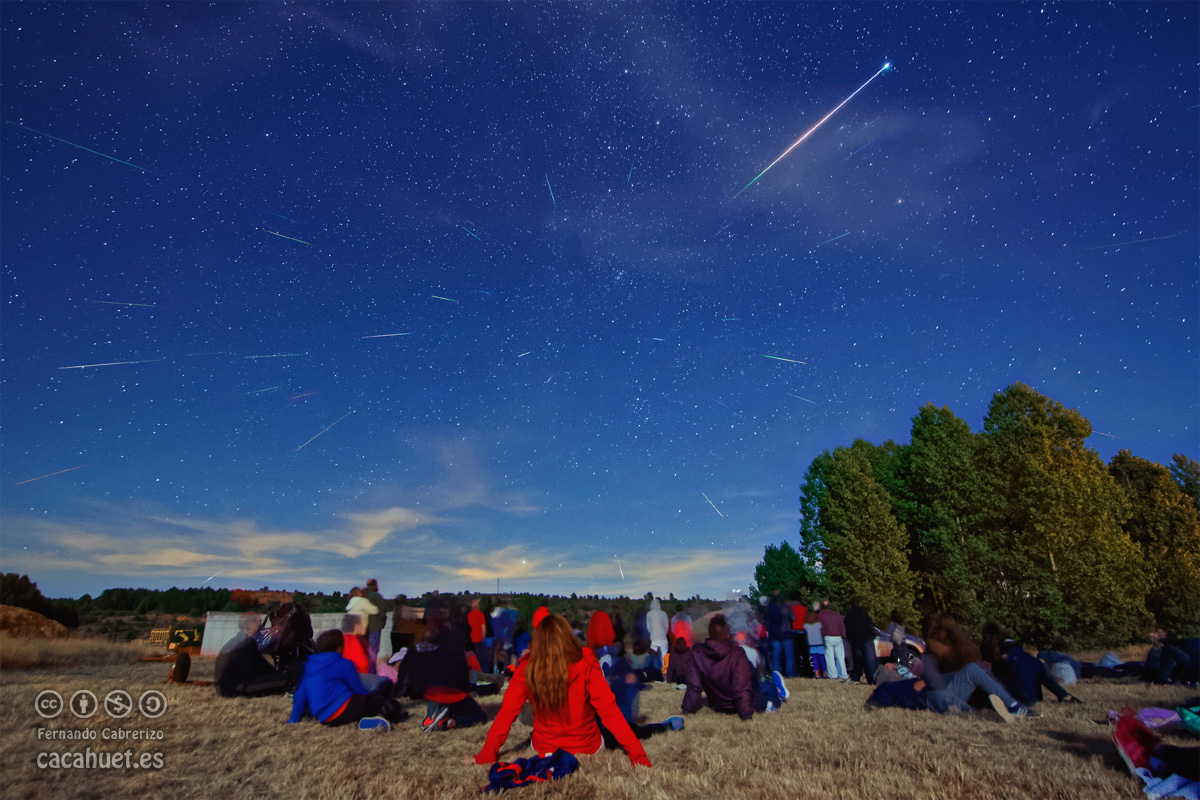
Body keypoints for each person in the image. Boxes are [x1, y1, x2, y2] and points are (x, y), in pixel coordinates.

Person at [474, 614, 654, 767]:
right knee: (602, 717)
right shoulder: (586, 662)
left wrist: (486, 755)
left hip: (545, 748)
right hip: (586, 747)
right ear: (567, 636)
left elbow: (507, 713)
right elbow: (609, 712)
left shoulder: (526, 667)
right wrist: (638, 756)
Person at [287, 630, 404, 730]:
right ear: (339, 649)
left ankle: (366, 717)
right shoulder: (344, 663)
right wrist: (369, 699)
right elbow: (358, 689)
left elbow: (300, 696)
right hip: (345, 709)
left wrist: (294, 719)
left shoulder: (309, 665)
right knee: (387, 703)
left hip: (326, 718)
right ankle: (375, 719)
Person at [681, 614, 784, 720]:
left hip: (717, 705)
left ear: (710, 633)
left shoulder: (698, 653)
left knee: (761, 682)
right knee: (770, 687)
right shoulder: (736, 653)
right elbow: (741, 688)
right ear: (728, 634)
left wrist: (685, 710)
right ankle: (776, 701)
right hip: (738, 704)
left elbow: (694, 687)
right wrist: (746, 716)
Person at [394, 619, 489, 732]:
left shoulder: (415, 651)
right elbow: (462, 683)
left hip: (429, 693)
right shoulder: (454, 652)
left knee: (444, 700)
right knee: (481, 717)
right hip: (450, 693)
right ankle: (448, 722)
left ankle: (434, 716)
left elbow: (405, 677)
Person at [215, 613, 292, 697]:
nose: (262, 628)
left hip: (225, 688)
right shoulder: (247, 643)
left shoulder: (236, 641)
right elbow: (259, 667)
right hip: (237, 688)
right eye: (260, 624)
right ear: (250, 624)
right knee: (285, 680)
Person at [844, 604, 879, 685]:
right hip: (866, 638)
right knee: (869, 660)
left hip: (856, 639)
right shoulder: (864, 615)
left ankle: (856, 677)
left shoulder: (850, 616)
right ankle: (872, 678)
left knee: (858, 659)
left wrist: (849, 638)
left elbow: (847, 628)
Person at [765, 590, 796, 678]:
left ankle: (777, 674)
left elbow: (766, 621)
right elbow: (793, 618)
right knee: (789, 656)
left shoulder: (770, 608)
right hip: (787, 633)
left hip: (775, 634)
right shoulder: (787, 607)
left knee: (776, 656)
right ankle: (790, 674)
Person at [362, 579, 390, 673]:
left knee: (364, 651)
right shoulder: (377, 596)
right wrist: (382, 623)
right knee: (373, 652)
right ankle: (371, 672)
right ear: (375, 585)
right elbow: (383, 611)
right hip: (374, 627)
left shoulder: (363, 596)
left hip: (363, 629)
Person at [817, 600, 849, 681]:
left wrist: (821, 636)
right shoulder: (836, 614)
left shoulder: (821, 615)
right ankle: (843, 674)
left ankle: (833, 675)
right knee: (840, 657)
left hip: (828, 636)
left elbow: (820, 627)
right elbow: (842, 625)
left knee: (830, 657)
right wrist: (843, 635)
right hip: (838, 636)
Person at [803, 604, 826, 679]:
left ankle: (817, 674)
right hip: (820, 643)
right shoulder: (819, 624)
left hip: (811, 644)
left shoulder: (806, 626)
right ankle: (825, 674)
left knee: (815, 660)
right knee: (822, 659)